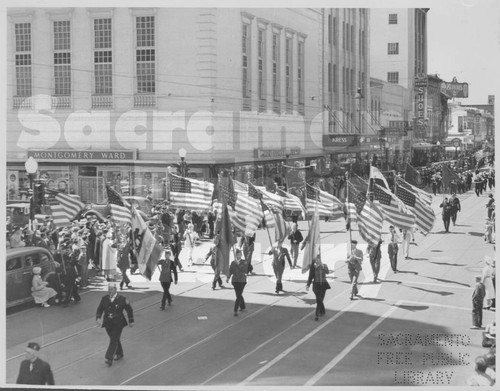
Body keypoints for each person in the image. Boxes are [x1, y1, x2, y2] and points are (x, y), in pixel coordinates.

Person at [96, 282, 134, 366]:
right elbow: (100, 309)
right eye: (109, 289)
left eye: (112, 289)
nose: (110, 291)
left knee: (113, 340)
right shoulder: (104, 298)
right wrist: (98, 318)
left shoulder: (122, 299)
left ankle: (109, 358)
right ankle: (120, 353)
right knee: (115, 339)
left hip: (118, 323)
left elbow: (129, 310)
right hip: (107, 323)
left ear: (116, 289)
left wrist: (131, 320)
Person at [306, 255, 331, 321]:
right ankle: (317, 314)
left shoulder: (324, 265)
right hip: (316, 285)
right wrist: (308, 285)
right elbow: (310, 276)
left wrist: (323, 267)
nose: (317, 261)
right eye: (316, 260)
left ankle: (320, 312)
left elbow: (327, 272)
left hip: (323, 285)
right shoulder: (313, 267)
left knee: (320, 300)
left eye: (318, 259)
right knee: (319, 300)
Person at [226, 249, 248, 316]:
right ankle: (242, 306)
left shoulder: (244, 262)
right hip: (235, 281)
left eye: (239, 255)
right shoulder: (233, 263)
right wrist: (228, 277)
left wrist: (239, 265)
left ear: (241, 255)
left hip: (242, 280)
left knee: (238, 295)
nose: (238, 256)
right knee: (238, 294)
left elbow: (245, 270)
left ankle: (235, 310)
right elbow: (230, 271)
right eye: (237, 255)